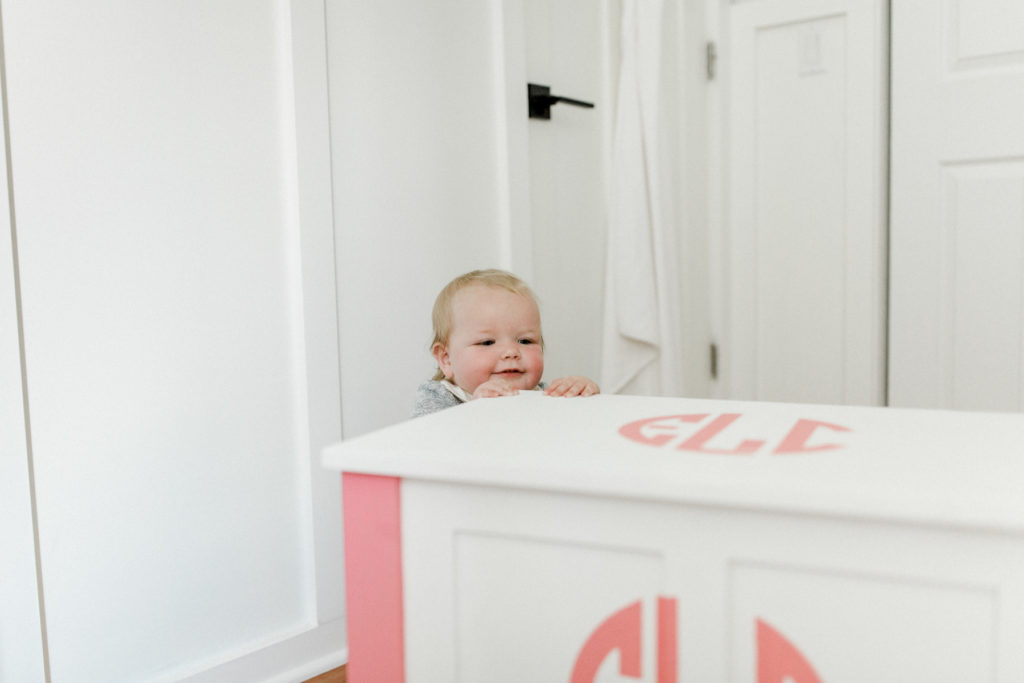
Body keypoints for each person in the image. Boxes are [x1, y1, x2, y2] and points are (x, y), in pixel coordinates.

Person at [413, 269, 599, 417]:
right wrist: (476, 411)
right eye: (487, 342)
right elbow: (426, 442)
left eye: (525, 341)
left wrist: (582, 398)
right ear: (446, 359)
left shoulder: (542, 394)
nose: (511, 351)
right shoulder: (439, 398)